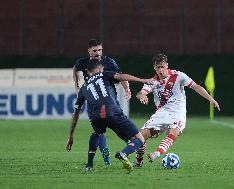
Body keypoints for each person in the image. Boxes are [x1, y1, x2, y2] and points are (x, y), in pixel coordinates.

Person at [133, 53, 221, 166]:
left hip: (177, 113)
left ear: (167, 65)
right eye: (158, 67)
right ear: (154, 67)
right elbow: (141, 92)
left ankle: (157, 153)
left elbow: (196, 87)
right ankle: (139, 160)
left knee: (173, 132)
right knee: (141, 136)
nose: (160, 70)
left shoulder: (178, 76)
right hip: (161, 113)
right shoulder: (153, 81)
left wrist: (211, 99)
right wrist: (142, 96)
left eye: (162, 66)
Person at [66, 59, 151, 173]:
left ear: (88, 71)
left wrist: (70, 136)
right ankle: (124, 153)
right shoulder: (104, 74)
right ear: (100, 68)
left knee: (96, 133)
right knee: (140, 139)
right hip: (112, 112)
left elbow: (76, 113)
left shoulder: (83, 88)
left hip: (96, 117)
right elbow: (122, 77)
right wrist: (142, 80)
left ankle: (89, 165)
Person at [73, 39, 131, 168]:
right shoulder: (83, 62)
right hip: (94, 102)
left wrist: (127, 89)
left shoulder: (109, 62)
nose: (98, 53)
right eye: (95, 50)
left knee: (106, 128)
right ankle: (107, 155)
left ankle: (128, 144)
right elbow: (75, 69)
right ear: (89, 51)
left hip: (109, 100)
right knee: (99, 131)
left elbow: (120, 76)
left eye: (100, 50)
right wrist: (77, 84)